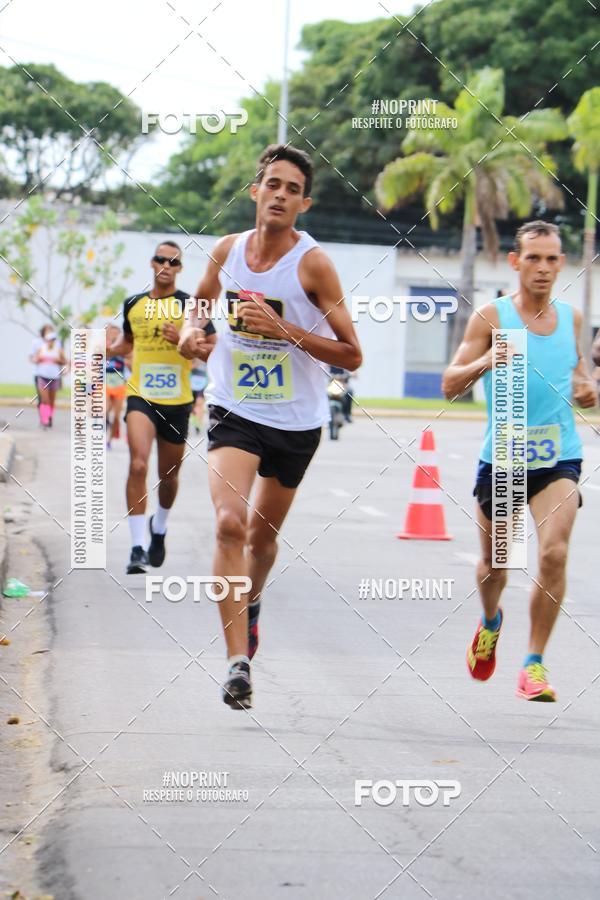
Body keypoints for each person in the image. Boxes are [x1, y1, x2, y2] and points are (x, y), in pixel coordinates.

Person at [179, 144, 362, 709]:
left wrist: (284, 331)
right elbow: (201, 302)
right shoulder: (227, 249)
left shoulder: (313, 265)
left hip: (297, 424)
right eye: (272, 184)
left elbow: (351, 355)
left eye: (292, 189)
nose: (280, 195)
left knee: (261, 538)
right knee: (230, 523)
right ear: (255, 192)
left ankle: (250, 603)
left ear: (303, 204)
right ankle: (237, 663)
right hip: (235, 410)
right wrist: (192, 331)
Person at [442, 220, 598, 702]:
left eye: (553, 259)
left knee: (553, 553)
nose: (544, 268)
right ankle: (491, 622)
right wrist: (486, 361)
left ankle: (534, 664)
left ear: (561, 265)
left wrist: (590, 390)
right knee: (496, 565)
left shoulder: (572, 319)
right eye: (534, 258)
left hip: (558, 458)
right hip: (505, 457)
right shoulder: (492, 317)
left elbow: (582, 381)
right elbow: (450, 384)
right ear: (515, 262)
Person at [107, 241, 216, 574]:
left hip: (178, 402)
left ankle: (160, 526)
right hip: (141, 396)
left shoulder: (190, 306)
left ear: (180, 268)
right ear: (152, 263)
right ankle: (137, 547)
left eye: (173, 261)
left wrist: (182, 341)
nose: (166, 265)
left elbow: (212, 349)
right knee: (138, 464)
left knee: (168, 478)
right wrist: (104, 347)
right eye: (160, 259)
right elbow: (126, 342)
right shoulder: (134, 304)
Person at [32, 326, 67, 428]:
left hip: (54, 377)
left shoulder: (58, 350)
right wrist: (39, 359)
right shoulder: (41, 349)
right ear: (46, 340)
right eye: (50, 340)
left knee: (51, 401)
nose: (52, 342)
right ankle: (44, 419)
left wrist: (58, 361)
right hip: (42, 376)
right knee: (44, 399)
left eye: (53, 340)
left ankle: (49, 416)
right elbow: (34, 359)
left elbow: (64, 361)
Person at [105, 323, 127, 448]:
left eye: (116, 332)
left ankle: (109, 441)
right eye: (111, 332)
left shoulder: (124, 348)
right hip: (106, 381)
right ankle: (105, 422)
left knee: (117, 416)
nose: (113, 334)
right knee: (106, 408)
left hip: (119, 383)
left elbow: (130, 358)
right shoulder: (104, 347)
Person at [190, 358, 208, 435]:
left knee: (199, 404)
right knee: (192, 406)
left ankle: (198, 425)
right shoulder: (191, 351)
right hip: (191, 383)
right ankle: (195, 419)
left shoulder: (206, 350)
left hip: (202, 383)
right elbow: (189, 367)